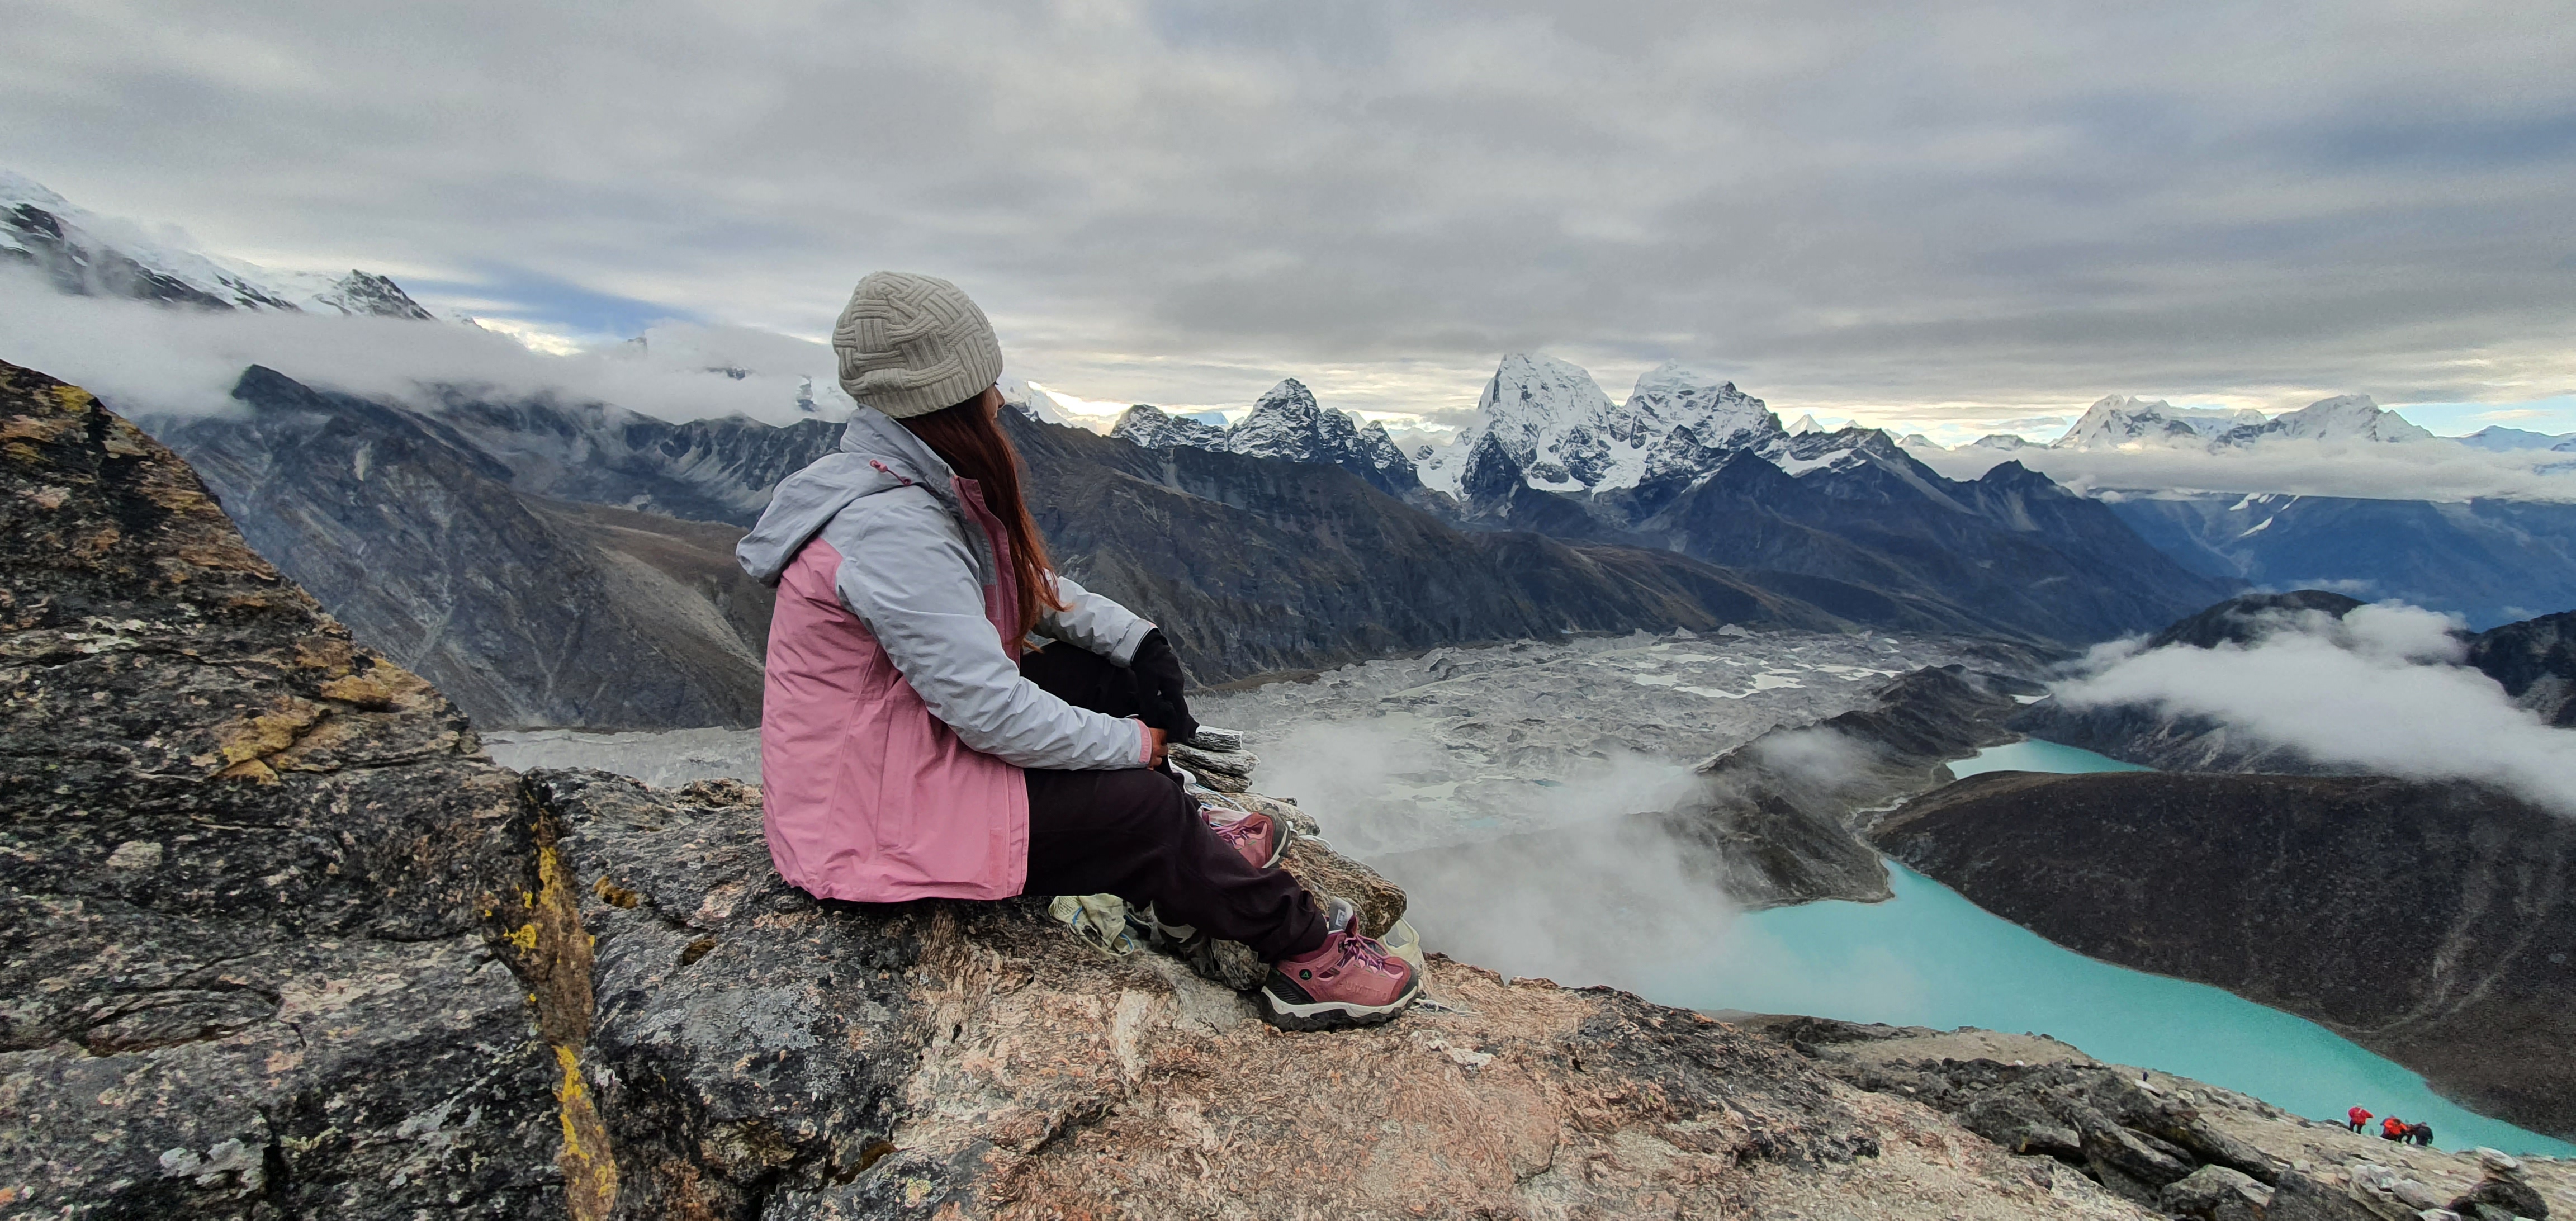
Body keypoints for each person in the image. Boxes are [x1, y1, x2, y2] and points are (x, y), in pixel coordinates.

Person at [736, 271, 1419, 1030]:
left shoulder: (905, 481)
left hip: (892, 764)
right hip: (866, 830)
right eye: (986, 384)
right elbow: (993, 714)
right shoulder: (892, 530)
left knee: (1100, 680)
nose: (1000, 401)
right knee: (1140, 806)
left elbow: (1020, 586)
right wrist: (1137, 743)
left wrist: (1138, 643)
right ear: (948, 396)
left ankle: (1190, 849)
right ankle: (1306, 953)